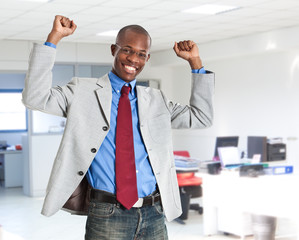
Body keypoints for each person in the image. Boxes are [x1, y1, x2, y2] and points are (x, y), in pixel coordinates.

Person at [22, 15, 215, 240]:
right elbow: (35, 98)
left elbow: (201, 117)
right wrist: (53, 39)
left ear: (147, 58)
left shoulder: (156, 99)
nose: (133, 59)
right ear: (114, 49)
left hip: (154, 212)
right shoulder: (82, 92)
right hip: (107, 213)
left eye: (141, 54)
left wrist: (195, 63)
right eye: (127, 50)